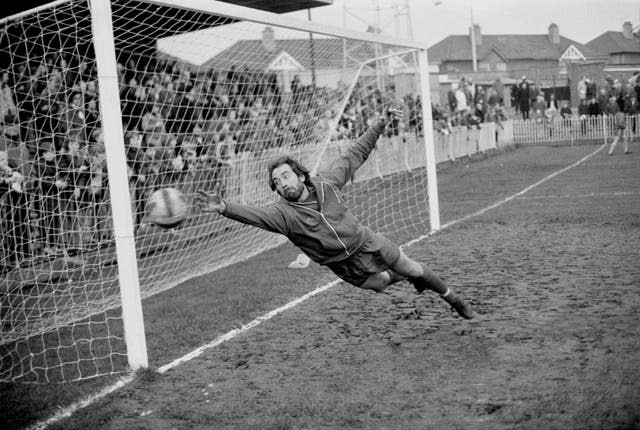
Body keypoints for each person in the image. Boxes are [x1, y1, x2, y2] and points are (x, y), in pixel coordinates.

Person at [195, 108, 475, 319]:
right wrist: (224, 208)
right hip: (341, 264)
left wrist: (380, 123)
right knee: (381, 284)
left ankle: (454, 299)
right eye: (277, 183)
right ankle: (416, 280)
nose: (282, 183)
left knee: (412, 267)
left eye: (286, 176)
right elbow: (253, 214)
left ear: (300, 175)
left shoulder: (327, 182)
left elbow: (355, 154)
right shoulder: (283, 215)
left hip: (367, 242)